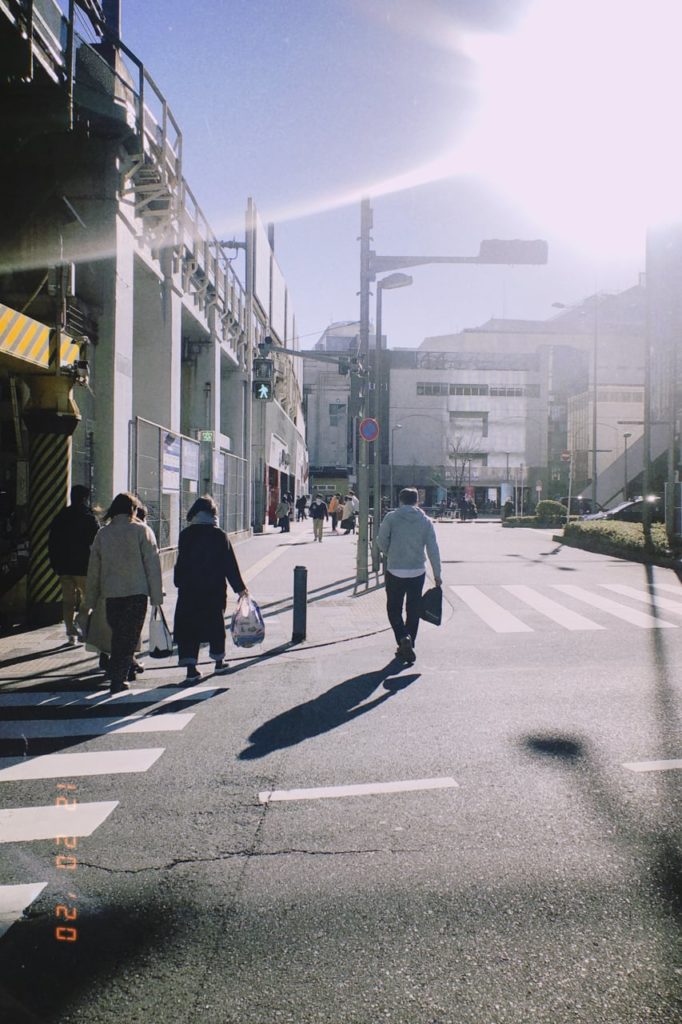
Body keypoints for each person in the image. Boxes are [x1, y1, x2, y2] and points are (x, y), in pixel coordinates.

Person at [83, 492, 163, 695]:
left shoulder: (103, 534)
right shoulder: (142, 531)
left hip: (111, 594)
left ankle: (117, 672)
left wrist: (90, 599)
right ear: (132, 510)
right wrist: (156, 596)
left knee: (118, 635)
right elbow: (152, 565)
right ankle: (118, 679)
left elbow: (94, 570)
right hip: (136, 594)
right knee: (127, 638)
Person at [173, 495, 247, 682]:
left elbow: (180, 562)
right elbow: (230, 565)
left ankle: (191, 668)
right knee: (215, 624)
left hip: (189, 589)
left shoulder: (186, 534)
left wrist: (178, 581)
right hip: (213, 588)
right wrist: (240, 589)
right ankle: (219, 662)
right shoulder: (219, 535)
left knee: (188, 626)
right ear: (213, 513)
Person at [376, 487, 442, 665]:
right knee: (413, 610)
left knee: (393, 609)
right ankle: (409, 642)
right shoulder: (426, 521)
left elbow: (380, 541)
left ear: (400, 500)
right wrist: (437, 575)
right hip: (417, 571)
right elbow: (433, 549)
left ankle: (402, 638)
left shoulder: (391, 518)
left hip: (395, 570)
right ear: (417, 501)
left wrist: (391, 553)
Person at [48, 484, 100, 646]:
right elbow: (97, 542)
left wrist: (55, 563)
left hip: (64, 567)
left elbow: (52, 542)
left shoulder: (61, 516)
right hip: (83, 567)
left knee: (68, 601)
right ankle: (80, 621)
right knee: (90, 598)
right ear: (85, 498)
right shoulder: (89, 517)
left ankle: (70, 633)